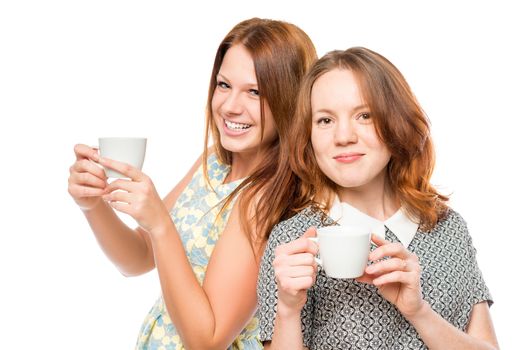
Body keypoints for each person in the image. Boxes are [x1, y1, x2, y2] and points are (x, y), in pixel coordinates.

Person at [67, 18, 317, 349]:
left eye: (255, 92)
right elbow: (139, 258)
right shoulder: (212, 163)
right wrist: (92, 204)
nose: (230, 106)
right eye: (224, 85)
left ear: (291, 100)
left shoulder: (264, 197)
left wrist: (159, 223)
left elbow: (208, 340)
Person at [257, 47, 499, 349]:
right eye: (324, 120)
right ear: (308, 136)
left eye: (364, 115)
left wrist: (418, 311)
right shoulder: (292, 242)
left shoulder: (447, 228)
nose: (343, 136)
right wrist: (289, 309)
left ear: (395, 122)